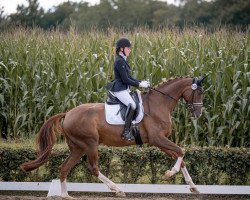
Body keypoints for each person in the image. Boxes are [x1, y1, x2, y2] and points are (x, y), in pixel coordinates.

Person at [107, 38, 150, 141]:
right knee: (132, 105)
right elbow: (125, 80)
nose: (130, 50)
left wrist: (141, 82)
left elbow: (129, 77)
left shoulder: (123, 60)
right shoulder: (119, 61)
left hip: (125, 89)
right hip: (120, 89)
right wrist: (139, 84)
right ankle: (126, 131)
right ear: (121, 49)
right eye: (128, 48)